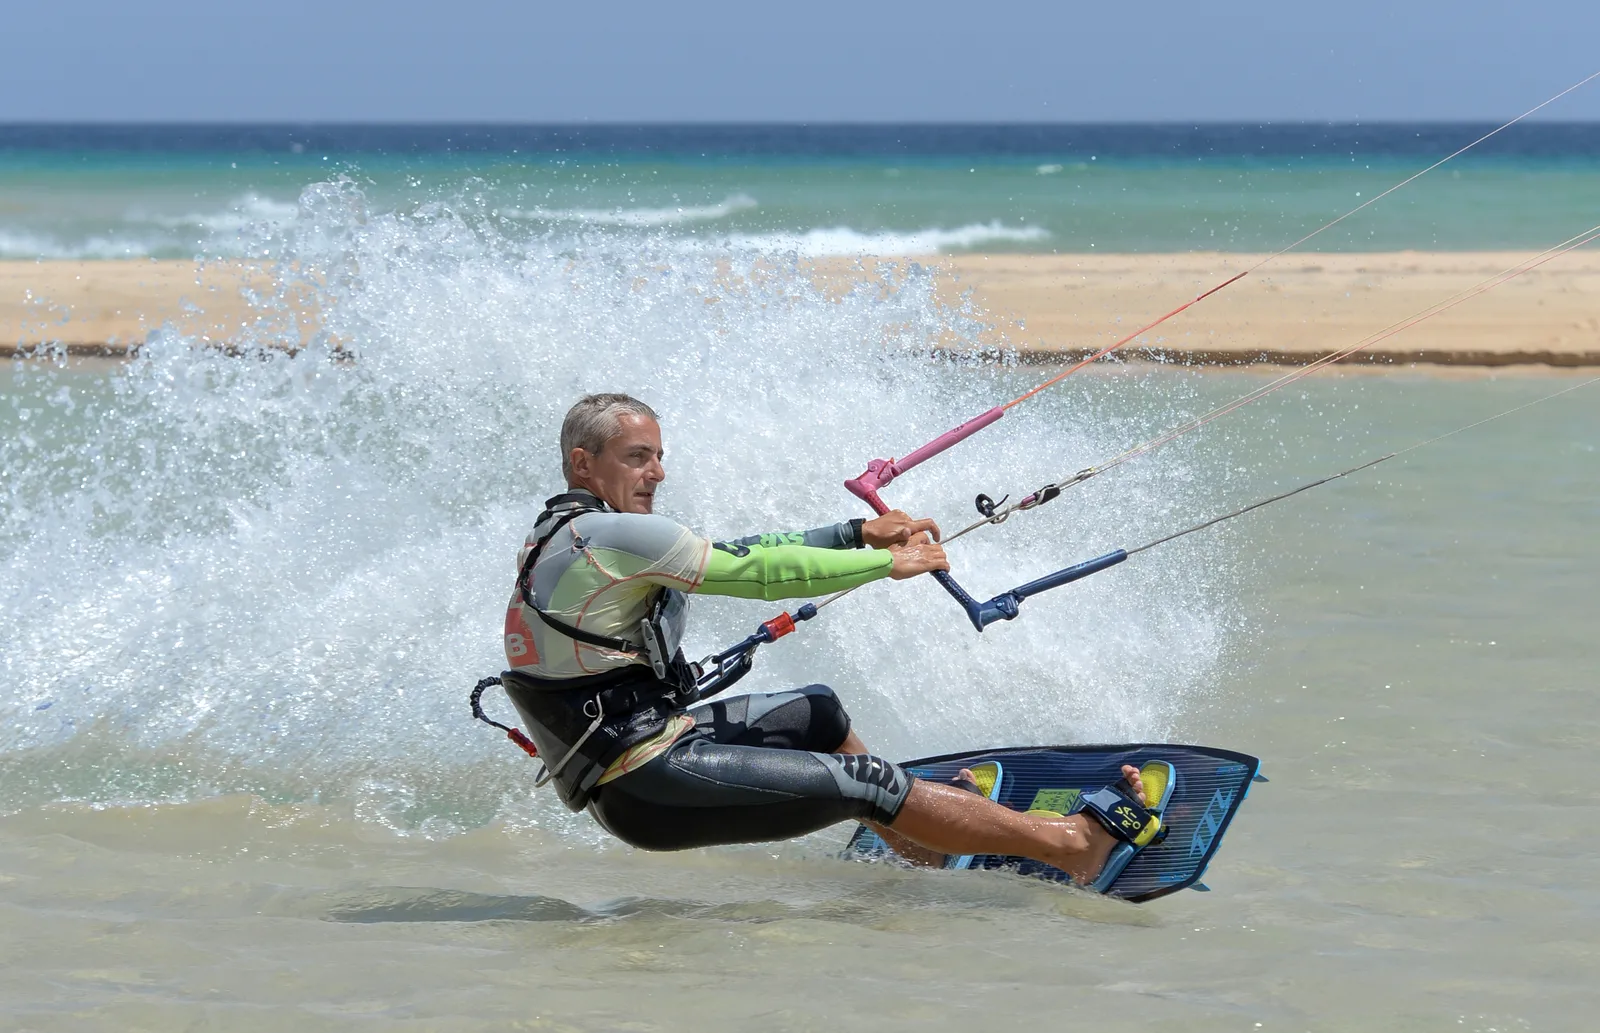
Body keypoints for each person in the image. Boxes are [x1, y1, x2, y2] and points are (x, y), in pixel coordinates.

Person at [498, 393, 1166, 888]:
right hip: (644, 784)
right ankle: (1072, 843)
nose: (657, 473)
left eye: (660, 457)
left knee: (820, 713)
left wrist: (854, 533)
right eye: (638, 457)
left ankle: (921, 844)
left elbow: (745, 547)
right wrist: (886, 563)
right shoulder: (602, 538)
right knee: (867, 781)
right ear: (583, 463)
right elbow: (756, 571)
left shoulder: (566, 533)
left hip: (652, 749)